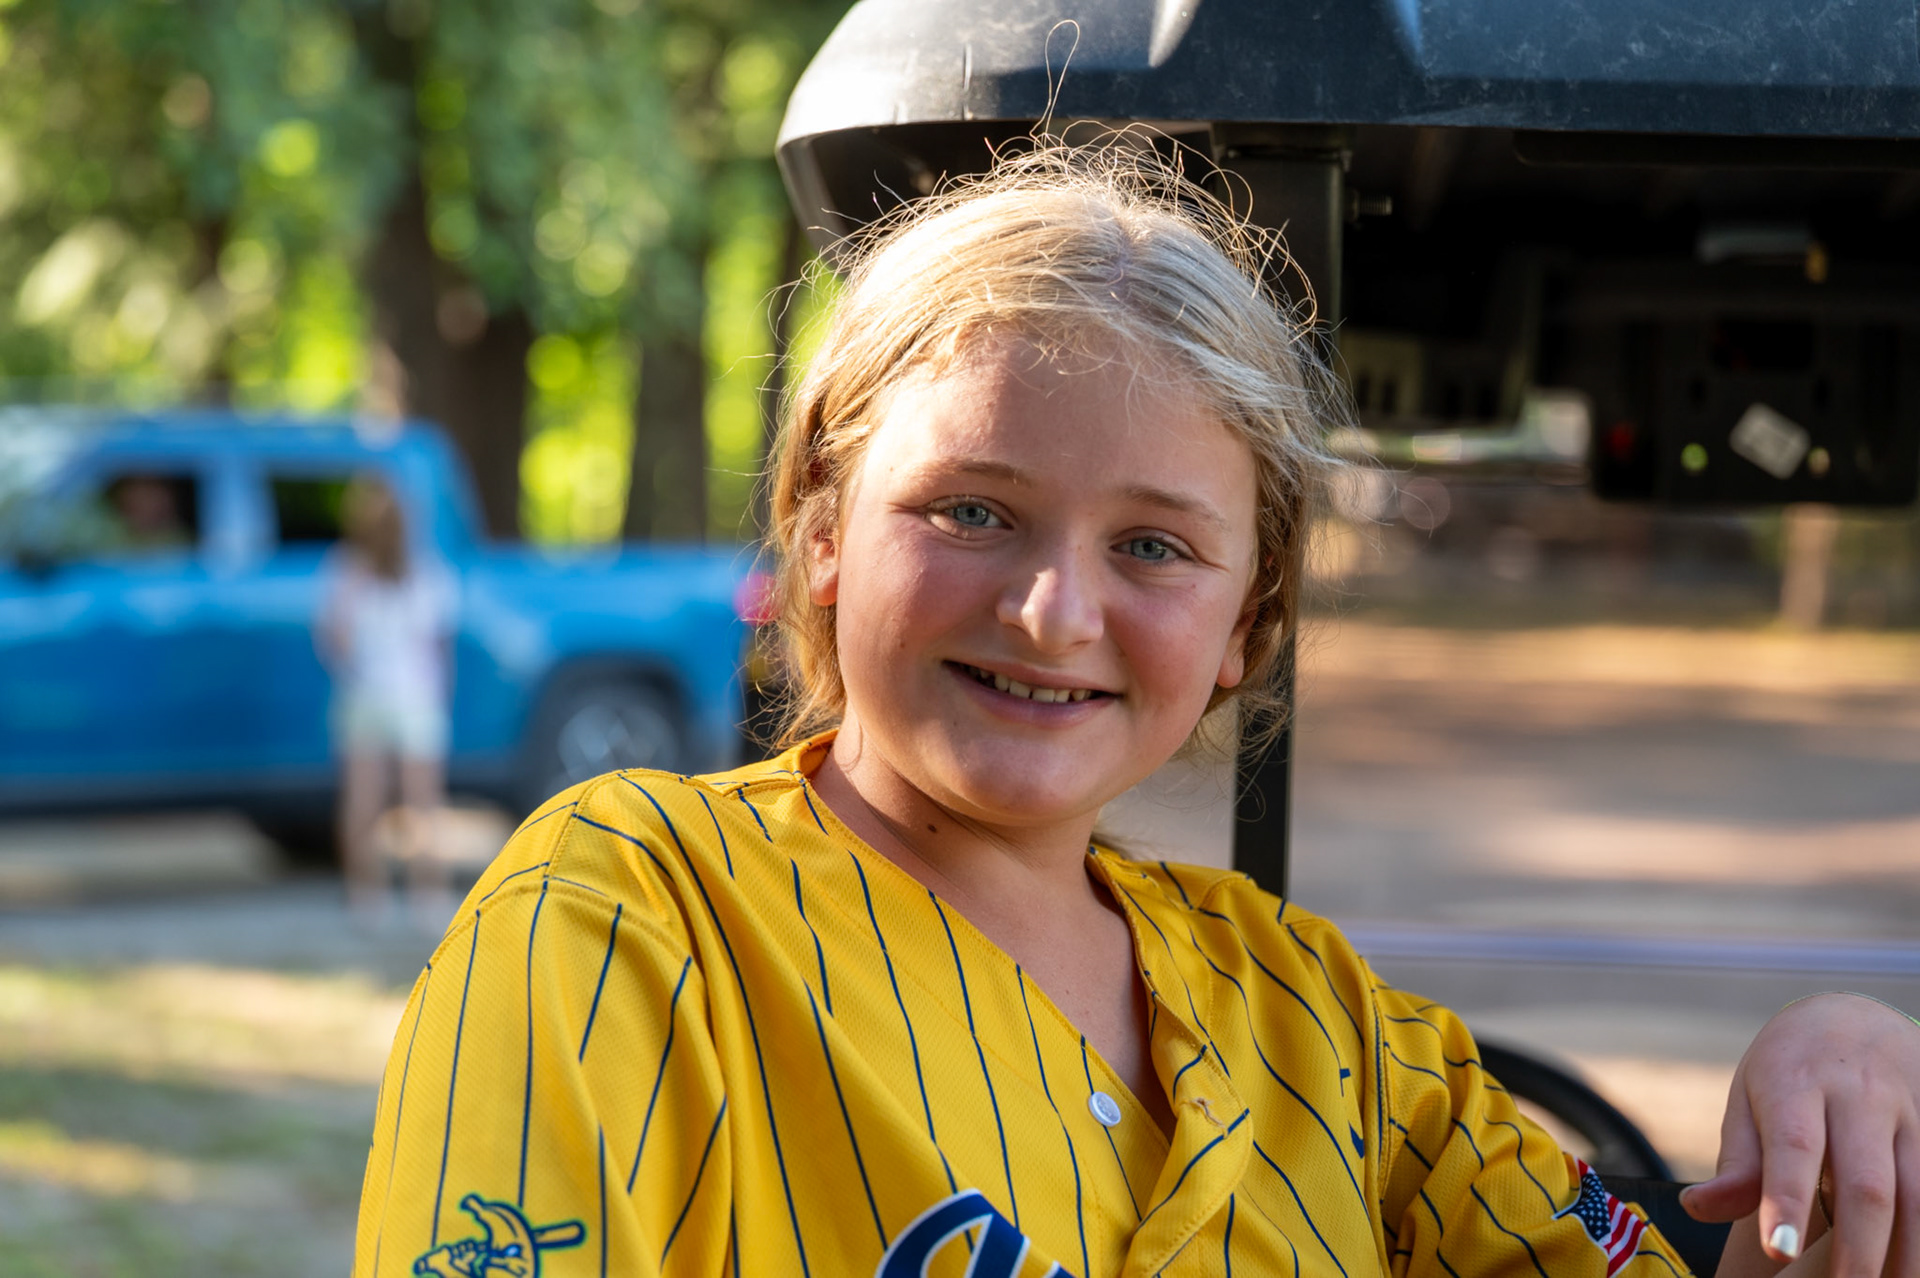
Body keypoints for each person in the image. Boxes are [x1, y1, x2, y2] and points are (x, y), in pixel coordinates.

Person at [352, 146, 1920, 1278]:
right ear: (823, 530)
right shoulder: (629, 913)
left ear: (1249, 622)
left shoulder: (1328, 1023)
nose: (1054, 611)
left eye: (1155, 547)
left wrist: (1840, 1082)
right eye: (972, 510)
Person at [316, 473, 458, 924]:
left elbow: (333, 642)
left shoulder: (352, 572)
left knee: (374, 800)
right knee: (412, 801)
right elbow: (440, 646)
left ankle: (376, 894)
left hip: (376, 697)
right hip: (406, 699)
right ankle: (416, 894)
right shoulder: (419, 573)